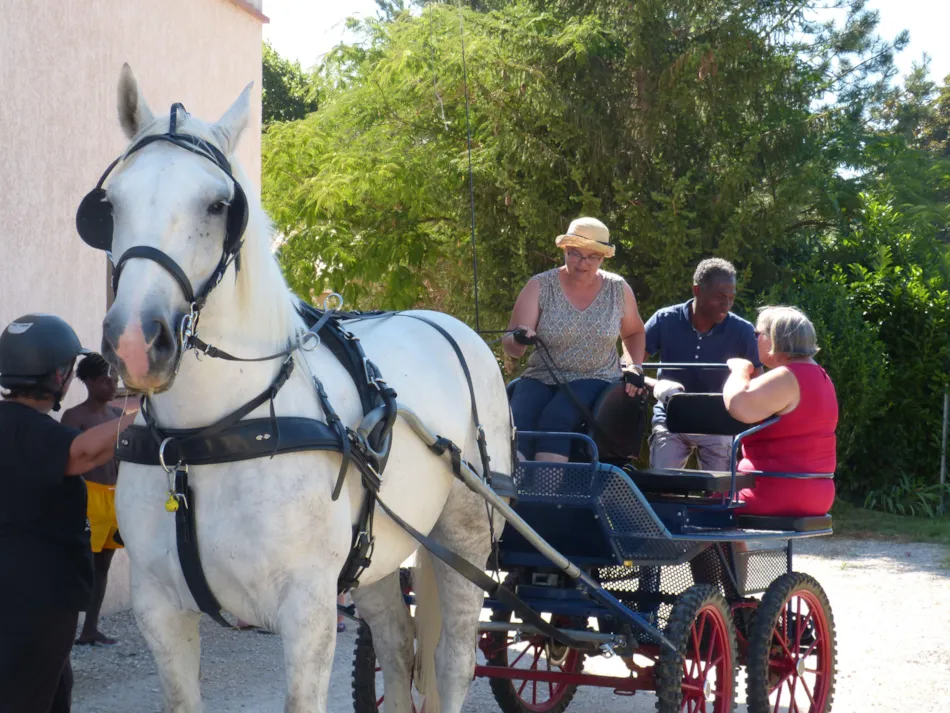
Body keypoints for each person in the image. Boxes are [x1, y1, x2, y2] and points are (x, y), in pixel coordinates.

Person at [0, 313, 137, 713]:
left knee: (55, 684)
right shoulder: (30, 429)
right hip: (36, 597)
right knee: (26, 694)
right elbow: (85, 451)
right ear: (59, 375)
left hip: (20, 592)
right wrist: (148, 415)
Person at [503, 217, 646, 462]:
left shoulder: (617, 289)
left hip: (594, 375)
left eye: (592, 257)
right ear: (565, 251)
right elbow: (510, 345)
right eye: (575, 253)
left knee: (556, 417)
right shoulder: (539, 285)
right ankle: (510, 490)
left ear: (602, 258)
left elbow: (634, 332)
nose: (582, 263)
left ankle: (547, 492)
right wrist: (518, 340)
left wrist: (634, 365)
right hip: (541, 375)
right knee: (517, 419)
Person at [641, 258, 761, 471]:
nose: (726, 305)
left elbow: (758, 382)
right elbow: (630, 366)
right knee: (662, 487)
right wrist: (657, 386)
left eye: (731, 298)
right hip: (671, 418)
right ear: (697, 290)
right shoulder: (665, 319)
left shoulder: (742, 330)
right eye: (719, 297)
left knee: (720, 497)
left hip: (720, 423)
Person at [723, 305, 838, 517]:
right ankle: (735, 552)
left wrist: (740, 370)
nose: (755, 339)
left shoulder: (787, 376)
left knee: (701, 508)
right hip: (815, 492)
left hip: (777, 490)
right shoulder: (820, 376)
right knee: (718, 503)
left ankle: (725, 552)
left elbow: (738, 405)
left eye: (757, 334)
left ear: (772, 338)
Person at [61, 354, 124, 647]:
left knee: (103, 566)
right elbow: (72, 460)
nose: (112, 384)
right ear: (87, 382)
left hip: (114, 497)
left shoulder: (115, 416)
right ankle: (65, 630)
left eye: (113, 377)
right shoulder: (75, 417)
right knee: (80, 565)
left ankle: (91, 629)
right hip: (88, 496)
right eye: (104, 379)